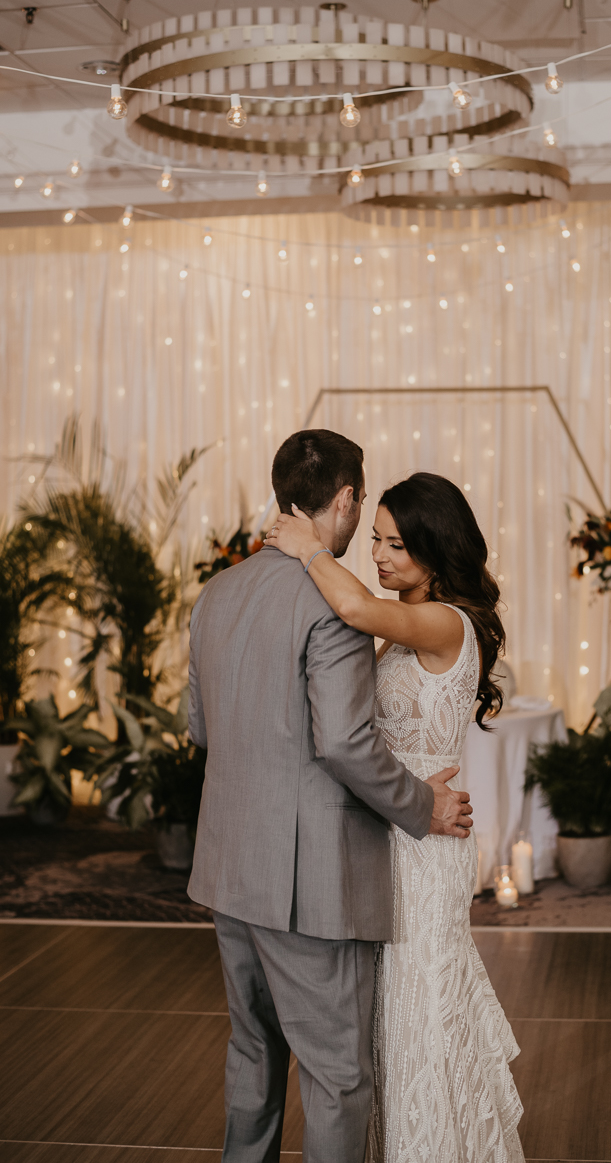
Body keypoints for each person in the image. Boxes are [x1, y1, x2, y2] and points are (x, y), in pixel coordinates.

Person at [187, 429, 473, 1163]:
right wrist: (422, 804)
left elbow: (198, 727)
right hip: (308, 882)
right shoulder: (332, 603)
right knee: (339, 1075)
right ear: (345, 500)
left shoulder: (215, 595)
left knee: (251, 1049)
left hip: (227, 863)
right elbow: (346, 745)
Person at [271, 470, 525, 1163]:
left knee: (420, 1018)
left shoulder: (445, 621)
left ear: (437, 550)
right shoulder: (410, 619)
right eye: (376, 539)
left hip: (423, 845)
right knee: (396, 1020)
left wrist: (307, 547)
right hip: (400, 831)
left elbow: (353, 609)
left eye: (396, 545)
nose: (379, 556)